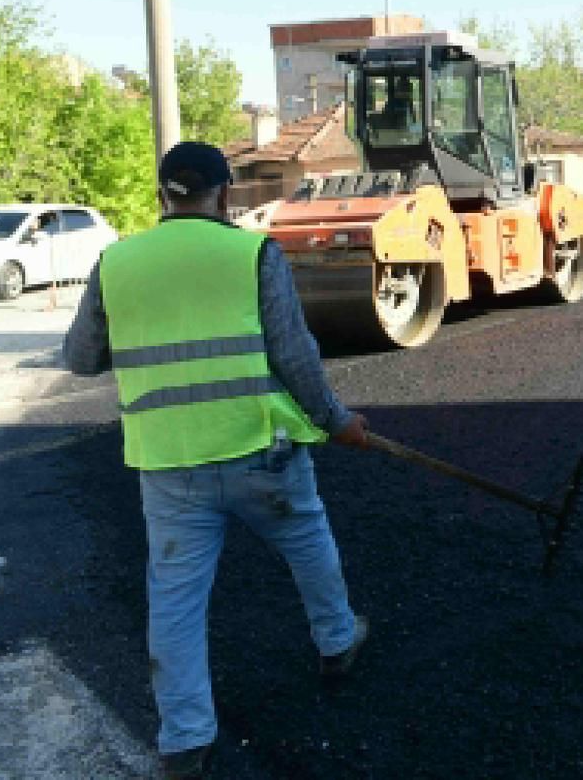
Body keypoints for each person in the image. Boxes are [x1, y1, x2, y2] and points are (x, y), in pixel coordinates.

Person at [62, 141, 372, 780]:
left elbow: (80, 359)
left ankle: (184, 738)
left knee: (174, 600)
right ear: (226, 194)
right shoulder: (252, 253)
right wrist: (336, 422)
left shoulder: (115, 262)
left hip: (169, 465)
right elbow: (294, 355)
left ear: (161, 196)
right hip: (260, 451)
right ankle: (337, 642)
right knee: (307, 538)